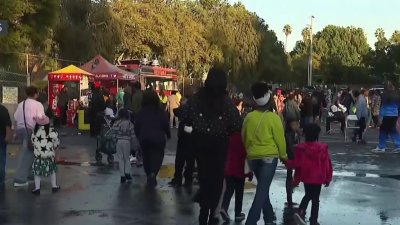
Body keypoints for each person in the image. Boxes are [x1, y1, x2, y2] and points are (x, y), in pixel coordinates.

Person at [180, 68, 241, 225]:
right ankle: (212, 212)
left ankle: (204, 210)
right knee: (217, 181)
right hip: (219, 144)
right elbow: (236, 123)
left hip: (200, 143)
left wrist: (193, 124)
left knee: (204, 177)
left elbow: (184, 113)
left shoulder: (197, 98)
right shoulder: (225, 102)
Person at [242, 82, 287, 225]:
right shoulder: (274, 118)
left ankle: (269, 217)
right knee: (262, 190)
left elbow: (244, 137)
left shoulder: (249, 117)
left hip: (253, 157)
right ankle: (251, 220)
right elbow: (280, 139)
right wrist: (284, 156)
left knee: (263, 187)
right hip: (269, 157)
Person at [285, 124, 333, 225]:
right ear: (317, 135)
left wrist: (287, 163)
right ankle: (313, 219)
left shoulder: (301, 148)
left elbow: (296, 163)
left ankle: (301, 211)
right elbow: (327, 164)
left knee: (308, 195)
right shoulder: (322, 148)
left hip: (306, 176)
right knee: (316, 199)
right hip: (318, 177)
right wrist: (328, 178)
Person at [219, 97, 251, 223]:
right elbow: (246, 156)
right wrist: (249, 173)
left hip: (228, 169)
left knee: (229, 190)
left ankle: (224, 207)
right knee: (239, 192)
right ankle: (238, 213)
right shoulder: (244, 139)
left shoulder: (228, 138)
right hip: (240, 170)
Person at [134, 89, 171, 188]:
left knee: (146, 156)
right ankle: (153, 173)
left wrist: (138, 135)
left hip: (144, 137)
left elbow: (137, 125)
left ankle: (149, 173)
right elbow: (165, 124)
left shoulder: (141, 111)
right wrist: (168, 134)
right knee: (158, 155)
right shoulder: (160, 111)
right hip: (158, 137)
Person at [14, 86, 46, 187]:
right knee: (26, 154)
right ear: (36, 94)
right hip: (31, 131)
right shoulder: (38, 104)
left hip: (20, 130)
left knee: (31, 152)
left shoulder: (21, 104)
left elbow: (15, 118)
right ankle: (20, 179)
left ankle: (30, 174)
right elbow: (41, 119)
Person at [168, 95, 195, 187]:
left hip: (184, 138)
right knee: (190, 160)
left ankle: (178, 179)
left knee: (180, 160)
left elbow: (176, 111)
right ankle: (188, 179)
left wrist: (183, 105)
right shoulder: (195, 109)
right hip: (192, 138)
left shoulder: (185, 108)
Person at [31, 116, 60, 195]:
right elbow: (56, 144)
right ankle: (54, 186)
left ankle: (37, 188)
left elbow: (33, 143)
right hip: (49, 157)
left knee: (37, 173)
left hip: (38, 157)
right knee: (52, 171)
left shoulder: (35, 132)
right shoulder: (53, 132)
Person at [372, 82, 400, 153]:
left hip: (386, 116)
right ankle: (398, 145)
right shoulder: (397, 96)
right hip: (394, 115)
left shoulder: (383, 96)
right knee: (393, 131)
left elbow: (382, 108)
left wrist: (380, 118)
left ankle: (381, 147)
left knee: (383, 131)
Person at [110, 108, 135, 183]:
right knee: (127, 158)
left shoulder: (117, 123)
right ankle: (127, 172)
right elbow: (133, 134)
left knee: (120, 159)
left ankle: (122, 176)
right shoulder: (130, 123)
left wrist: (114, 140)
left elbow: (113, 133)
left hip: (119, 141)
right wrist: (134, 142)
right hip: (127, 141)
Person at [285, 119, 300, 207]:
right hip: (290, 156)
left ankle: (291, 189)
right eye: (294, 124)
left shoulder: (295, 133)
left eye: (297, 124)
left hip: (293, 155)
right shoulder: (289, 133)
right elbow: (290, 146)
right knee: (289, 174)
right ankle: (289, 195)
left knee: (291, 174)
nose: (296, 126)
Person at [0, 104, 12, 184]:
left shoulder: (2, 109)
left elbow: (8, 124)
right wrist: (7, 136)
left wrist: (7, 135)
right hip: (1, 136)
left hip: (1, 136)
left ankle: (1, 175)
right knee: (1, 156)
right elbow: (8, 124)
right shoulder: (3, 109)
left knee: (1, 155)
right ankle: (1, 175)